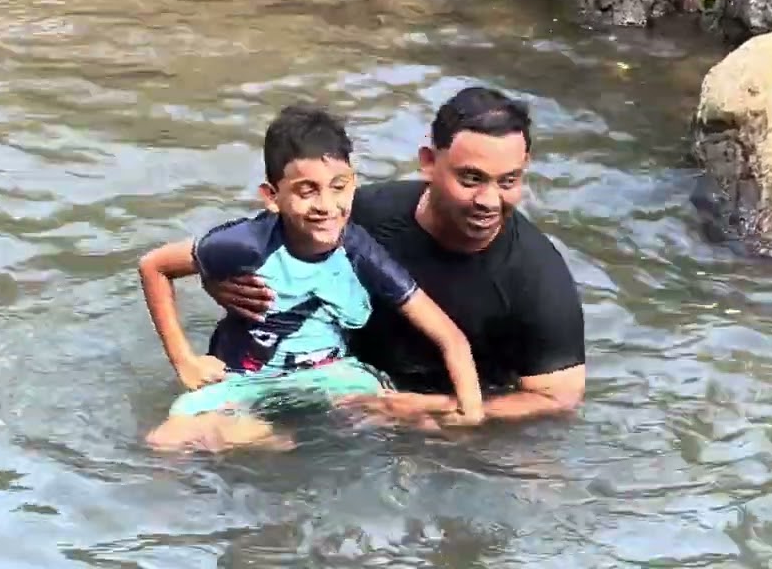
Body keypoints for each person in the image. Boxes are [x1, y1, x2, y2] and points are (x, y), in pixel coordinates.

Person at [204, 86, 587, 429]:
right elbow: (267, 246)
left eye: (508, 181)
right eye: (471, 178)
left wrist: (435, 409)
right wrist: (218, 283)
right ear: (428, 162)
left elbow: (558, 398)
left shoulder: (537, 277)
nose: (489, 200)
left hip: (441, 424)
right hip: (331, 386)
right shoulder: (361, 216)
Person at [137, 103, 486, 452]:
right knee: (165, 442)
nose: (326, 205)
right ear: (272, 197)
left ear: (354, 183)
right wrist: (185, 360)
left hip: (332, 377)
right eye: (307, 191)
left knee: (418, 428)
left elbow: (449, 336)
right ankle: (263, 437)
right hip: (245, 379)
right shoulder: (244, 244)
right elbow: (154, 265)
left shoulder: (358, 250)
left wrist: (470, 412)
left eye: (339, 186)